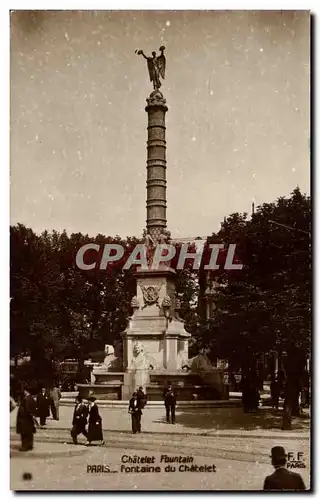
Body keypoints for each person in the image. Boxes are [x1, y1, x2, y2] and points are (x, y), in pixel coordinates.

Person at [16, 386, 38, 451]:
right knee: (29, 433)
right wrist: (33, 416)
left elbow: (27, 409)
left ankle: (25, 447)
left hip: (24, 419)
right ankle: (30, 445)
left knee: (24, 433)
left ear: (26, 391)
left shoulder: (26, 399)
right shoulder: (31, 398)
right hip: (29, 419)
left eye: (24, 391)